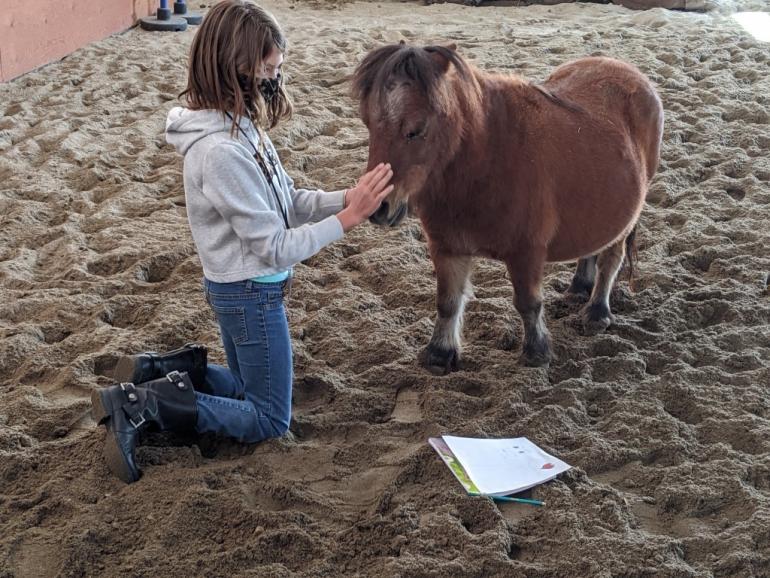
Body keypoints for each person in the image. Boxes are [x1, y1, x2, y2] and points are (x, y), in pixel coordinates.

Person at [91, 0, 393, 484]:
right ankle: (143, 404)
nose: (277, 78)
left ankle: (168, 371)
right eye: (270, 69)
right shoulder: (220, 152)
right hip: (249, 294)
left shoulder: (239, 124)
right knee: (270, 418)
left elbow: (288, 201)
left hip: (244, 291)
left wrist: (348, 198)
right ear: (238, 67)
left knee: (248, 391)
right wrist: (348, 219)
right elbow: (273, 246)